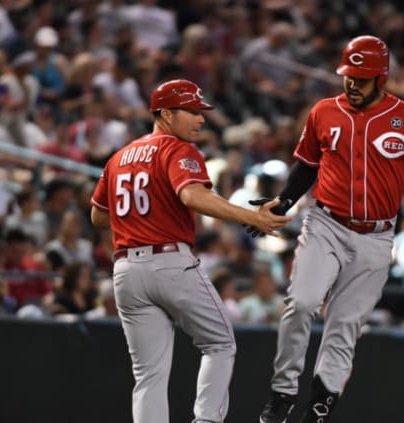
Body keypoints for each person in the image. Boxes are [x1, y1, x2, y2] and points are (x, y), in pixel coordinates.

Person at [253, 35, 404, 423]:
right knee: (303, 303)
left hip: (377, 236)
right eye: (349, 75)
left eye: (361, 78)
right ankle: (283, 392)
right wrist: (284, 201)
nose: (352, 83)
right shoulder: (324, 111)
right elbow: (306, 165)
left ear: (381, 78)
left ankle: (319, 407)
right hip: (325, 222)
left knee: (345, 325)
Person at [89, 79, 292, 423]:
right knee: (220, 344)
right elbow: (192, 196)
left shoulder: (120, 156)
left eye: (201, 112)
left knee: (149, 374)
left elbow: (97, 216)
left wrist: (143, 215)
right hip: (169, 261)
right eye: (191, 111)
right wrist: (250, 215)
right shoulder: (178, 149)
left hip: (126, 270)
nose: (200, 119)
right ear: (165, 114)